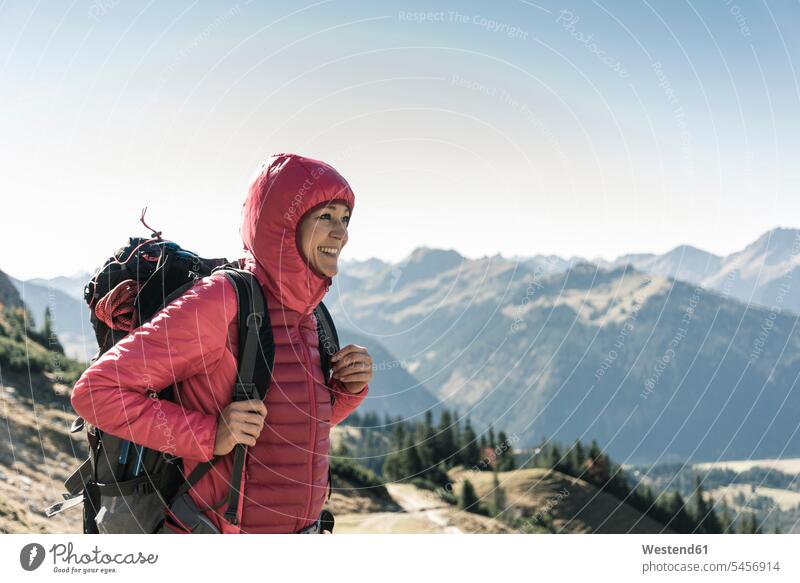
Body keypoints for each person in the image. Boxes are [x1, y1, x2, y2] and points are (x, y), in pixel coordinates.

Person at [71, 153, 372, 534]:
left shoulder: (310, 315)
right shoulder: (223, 302)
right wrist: (210, 435)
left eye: (344, 219)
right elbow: (96, 393)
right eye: (325, 217)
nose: (340, 233)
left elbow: (291, 430)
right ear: (284, 221)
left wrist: (348, 390)